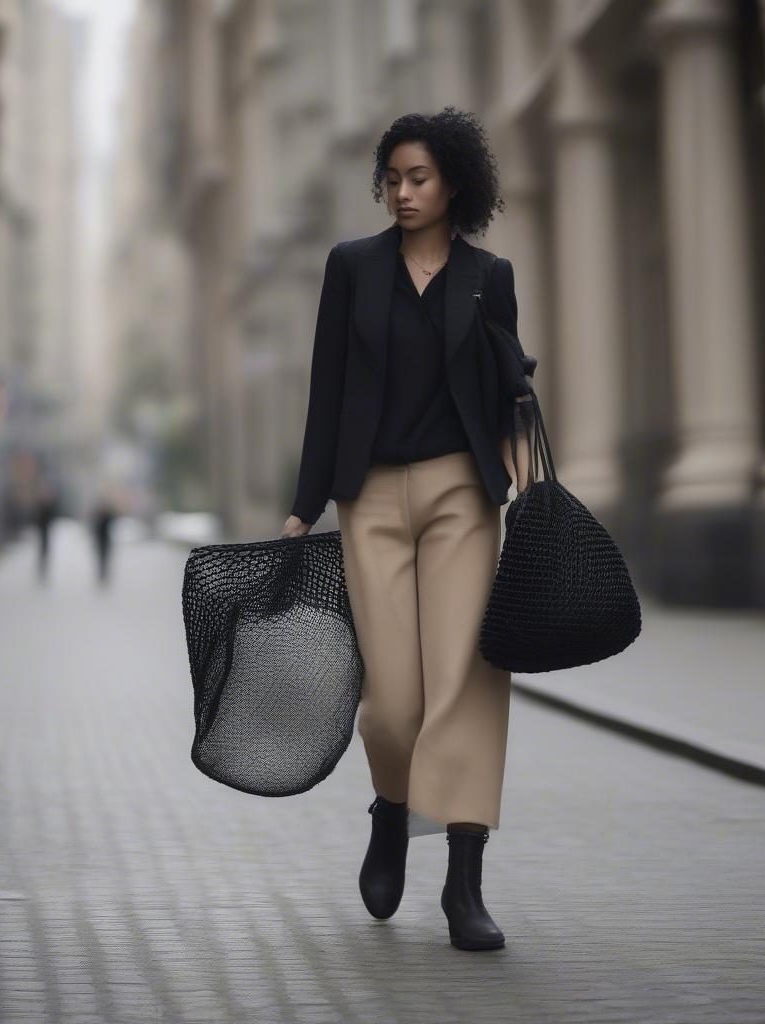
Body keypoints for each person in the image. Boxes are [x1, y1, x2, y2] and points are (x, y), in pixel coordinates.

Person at [281, 107, 536, 952]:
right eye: (391, 179)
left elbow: (507, 395)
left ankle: (464, 881)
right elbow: (327, 390)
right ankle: (391, 810)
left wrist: (525, 483)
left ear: (453, 182)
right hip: (372, 501)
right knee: (391, 705)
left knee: (463, 681)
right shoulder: (352, 268)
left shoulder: (487, 276)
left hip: (463, 494)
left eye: (417, 178)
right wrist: (304, 502)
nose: (401, 192)